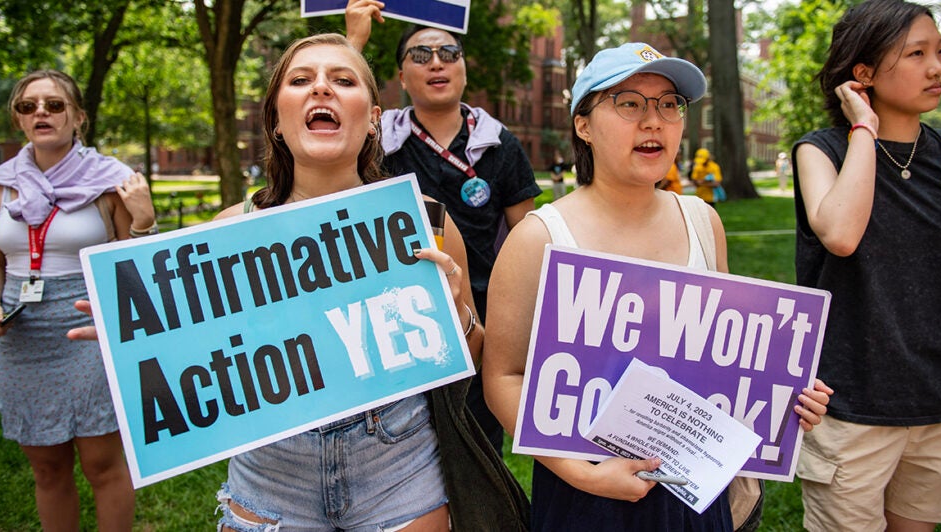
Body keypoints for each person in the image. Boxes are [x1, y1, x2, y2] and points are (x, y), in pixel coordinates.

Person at [482, 42, 833, 531]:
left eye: (670, 104)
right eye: (629, 103)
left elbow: (728, 363)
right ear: (584, 125)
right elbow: (503, 377)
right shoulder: (539, 238)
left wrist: (786, 398)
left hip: (696, 496)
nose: (654, 121)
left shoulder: (703, 222)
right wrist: (581, 473)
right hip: (585, 500)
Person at [211, 33, 529, 531]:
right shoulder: (230, 229)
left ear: (375, 117)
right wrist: (148, 348)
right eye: (301, 80)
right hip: (272, 473)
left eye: (342, 80)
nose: (321, 89)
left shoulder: (430, 225)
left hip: (400, 467)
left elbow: (473, 361)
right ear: (275, 117)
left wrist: (457, 316)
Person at [791, 1, 941, 530]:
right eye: (916, 53)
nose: (937, 67)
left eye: (940, 51)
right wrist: (865, 128)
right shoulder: (821, 150)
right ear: (864, 73)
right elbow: (841, 234)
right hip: (850, 405)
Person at [346, 0, 542, 455]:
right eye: (419, 55)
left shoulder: (499, 145)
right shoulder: (376, 144)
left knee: (474, 453)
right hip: (395, 326)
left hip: (477, 328)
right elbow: (335, 114)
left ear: (465, 70)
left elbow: (524, 246)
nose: (436, 62)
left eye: (449, 53)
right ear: (400, 78)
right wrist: (354, 42)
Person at [0, 70, 156, 531]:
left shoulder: (112, 181)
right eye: (28, 106)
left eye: (54, 105)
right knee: (47, 468)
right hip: (21, 335)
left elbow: (134, 262)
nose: (41, 112)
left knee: (101, 464)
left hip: (87, 327)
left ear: (78, 117)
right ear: (18, 119)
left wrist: (144, 222)